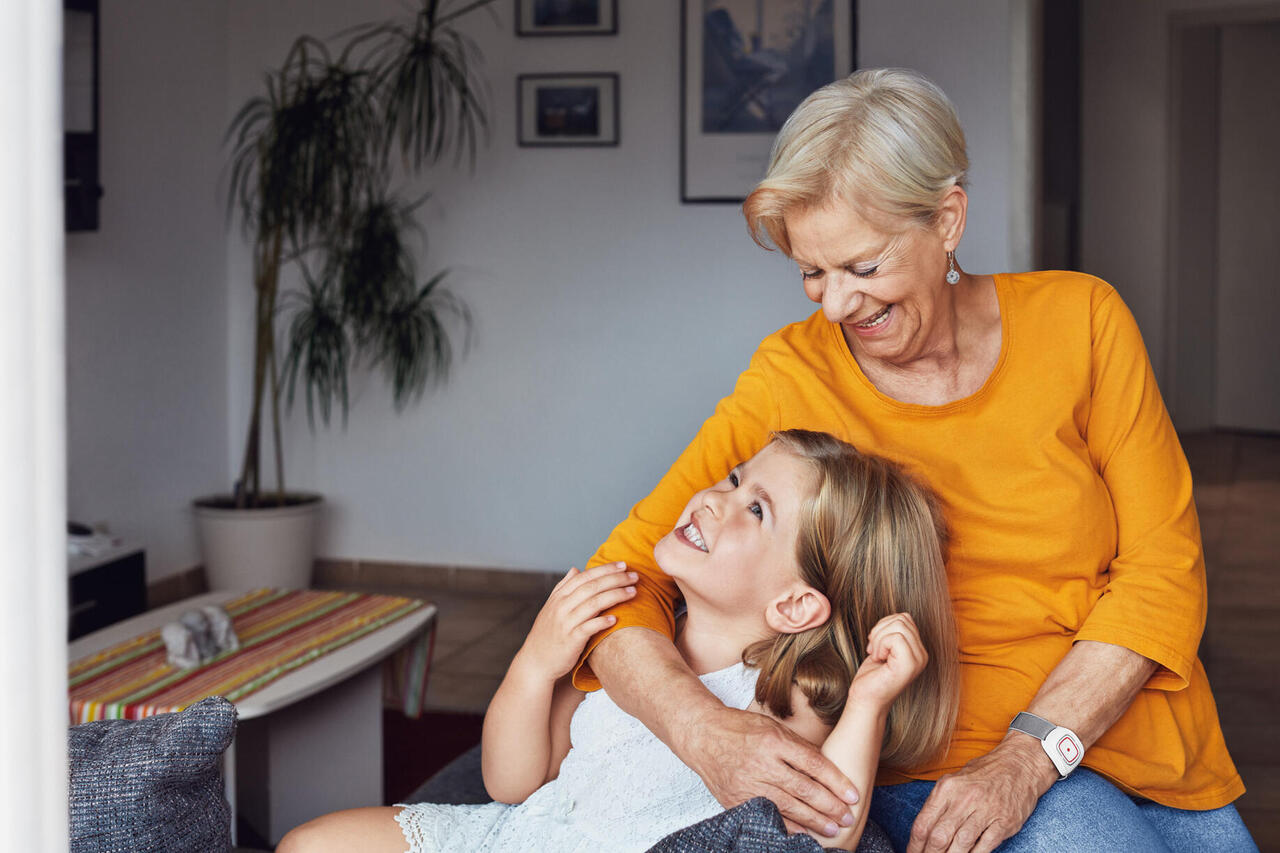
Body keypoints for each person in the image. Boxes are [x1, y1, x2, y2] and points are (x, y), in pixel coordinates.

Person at [575, 68, 1255, 852]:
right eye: (811, 271)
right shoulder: (792, 374)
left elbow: (1163, 572)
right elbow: (621, 583)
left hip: (1131, 736)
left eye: (862, 267)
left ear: (947, 219)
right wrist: (706, 732)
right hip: (941, 765)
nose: (834, 306)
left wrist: (1032, 753)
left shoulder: (1084, 322)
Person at [278, 430, 959, 852]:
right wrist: (534, 660)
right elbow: (511, 780)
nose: (714, 499)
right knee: (310, 843)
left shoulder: (786, 692)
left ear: (795, 604)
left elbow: (826, 833)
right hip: (525, 837)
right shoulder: (638, 643)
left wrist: (868, 700)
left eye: (756, 509)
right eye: (732, 478)